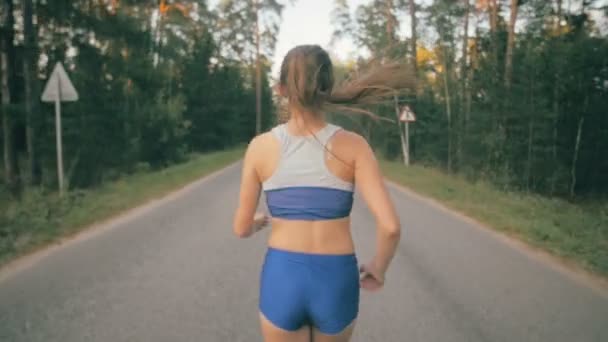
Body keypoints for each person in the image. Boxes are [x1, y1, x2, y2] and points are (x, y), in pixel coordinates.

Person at [233, 45, 413, 342]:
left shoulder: (259, 147)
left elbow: (240, 229)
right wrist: (378, 268)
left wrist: (257, 220)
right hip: (336, 278)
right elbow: (391, 227)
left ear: (280, 89)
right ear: (327, 88)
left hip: (283, 276)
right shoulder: (354, 146)